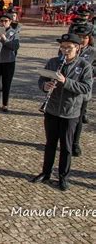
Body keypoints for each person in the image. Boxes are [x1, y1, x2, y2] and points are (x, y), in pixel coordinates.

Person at [32, 33, 92, 191]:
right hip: (51, 109)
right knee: (50, 144)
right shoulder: (53, 62)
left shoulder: (84, 66)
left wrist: (66, 82)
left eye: (68, 47)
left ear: (77, 48)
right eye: (62, 47)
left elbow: (86, 89)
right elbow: (41, 80)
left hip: (70, 112)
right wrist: (44, 87)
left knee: (66, 147)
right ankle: (46, 173)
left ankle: (63, 177)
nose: (65, 50)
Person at [71, 24, 95, 156]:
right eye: (79, 37)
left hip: (82, 90)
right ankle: (66, 140)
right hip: (68, 88)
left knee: (79, 118)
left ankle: (75, 143)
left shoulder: (93, 52)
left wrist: (86, 69)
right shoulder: (69, 48)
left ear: (89, 38)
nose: (81, 40)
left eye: (84, 37)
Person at [0, 13, 20, 112]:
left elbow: (15, 46)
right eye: (1, 21)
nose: (3, 23)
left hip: (9, 61)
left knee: (6, 83)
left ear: (10, 22)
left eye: (6, 21)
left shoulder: (14, 33)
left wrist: (4, 39)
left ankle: (5, 104)